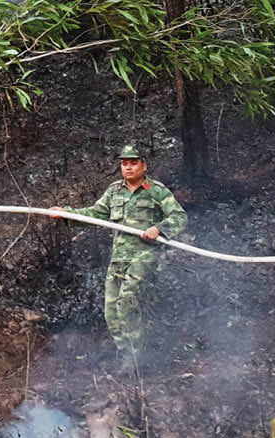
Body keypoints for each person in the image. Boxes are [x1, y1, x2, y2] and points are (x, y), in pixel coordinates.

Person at [50, 144, 187, 373]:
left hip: (144, 255)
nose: (129, 167)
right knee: (111, 310)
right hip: (119, 258)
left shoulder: (156, 191)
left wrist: (159, 228)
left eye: (133, 163)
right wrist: (66, 212)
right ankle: (128, 357)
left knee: (128, 302)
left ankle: (135, 361)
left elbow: (179, 217)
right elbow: (95, 214)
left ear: (144, 165)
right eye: (125, 163)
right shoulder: (114, 191)